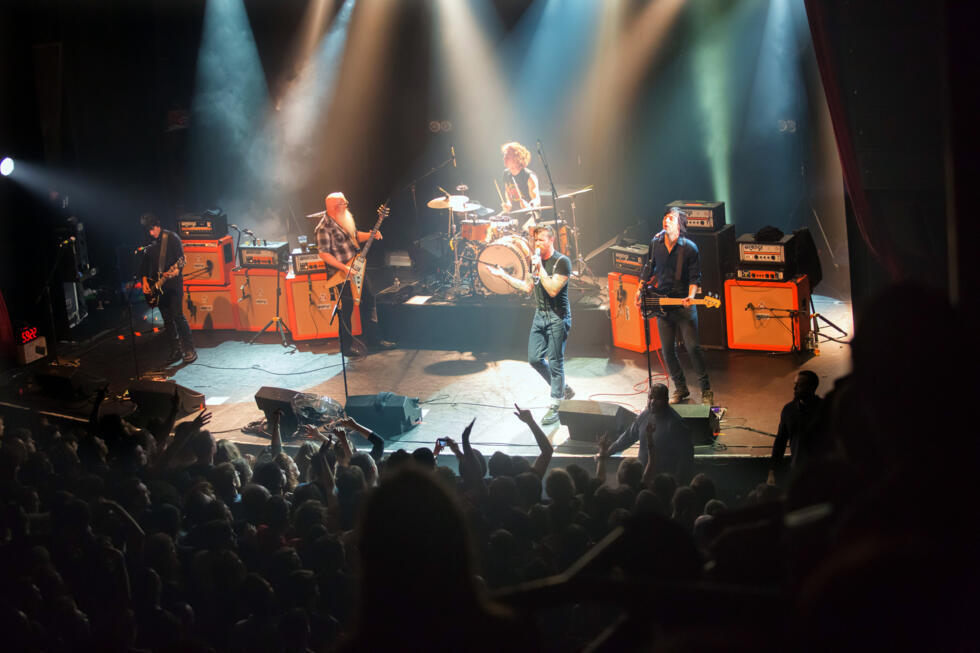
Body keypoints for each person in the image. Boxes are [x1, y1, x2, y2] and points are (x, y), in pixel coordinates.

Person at [487, 225, 573, 424]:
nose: (537, 244)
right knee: (534, 359)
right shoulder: (534, 263)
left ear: (551, 240)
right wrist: (504, 277)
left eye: (541, 240)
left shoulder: (562, 262)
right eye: (535, 240)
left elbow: (552, 290)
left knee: (555, 361)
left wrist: (540, 267)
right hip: (540, 315)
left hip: (557, 317)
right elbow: (527, 287)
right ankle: (562, 388)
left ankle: (556, 405)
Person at [635, 207, 712, 405]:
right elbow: (648, 268)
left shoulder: (690, 248)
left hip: (683, 306)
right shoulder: (655, 243)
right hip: (663, 306)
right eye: (665, 217)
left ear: (679, 225)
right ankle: (681, 388)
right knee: (668, 351)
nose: (666, 220)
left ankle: (706, 390)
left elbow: (696, 278)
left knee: (693, 348)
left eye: (671, 218)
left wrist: (691, 296)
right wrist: (639, 289)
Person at [314, 192, 395, 357]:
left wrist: (372, 234)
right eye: (344, 203)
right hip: (341, 273)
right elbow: (323, 254)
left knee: (369, 299)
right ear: (336, 207)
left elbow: (354, 236)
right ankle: (347, 347)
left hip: (357, 267)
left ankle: (374, 340)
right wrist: (344, 268)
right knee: (347, 309)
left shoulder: (343, 220)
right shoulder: (323, 228)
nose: (347, 206)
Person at [599, 383, 693, 482]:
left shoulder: (676, 425)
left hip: (663, 484)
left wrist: (678, 484)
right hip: (643, 480)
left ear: (666, 400)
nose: (652, 402)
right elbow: (627, 437)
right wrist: (608, 452)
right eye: (650, 397)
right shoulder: (644, 415)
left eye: (657, 399)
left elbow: (685, 459)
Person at [139, 212, 197, 364]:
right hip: (157, 287)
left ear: (158, 225)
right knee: (167, 319)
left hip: (173, 284)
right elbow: (144, 264)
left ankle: (190, 349)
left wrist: (177, 270)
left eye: (153, 229)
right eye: (148, 231)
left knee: (178, 315)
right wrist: (144, 280)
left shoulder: (171, 238)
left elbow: (182, 260)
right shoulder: (149, 243)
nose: (151, 233)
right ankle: (176, 350)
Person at [767, 370, 824, 484]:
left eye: (800, 385)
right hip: (797, 470)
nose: (795, 388)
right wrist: (772, 471)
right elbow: (780, 441)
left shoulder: (824, 409)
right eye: (795, 384)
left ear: (811, 388)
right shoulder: (789, 410)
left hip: (821, 472)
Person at [500, 141, 541, 232]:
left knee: (524, 230)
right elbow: (508, 193)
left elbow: (537, 200)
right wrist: (508, 204)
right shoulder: (506, 174)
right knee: (496, 225)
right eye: (504, 155)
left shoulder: (529, 176)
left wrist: (529, 205)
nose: (504, 158)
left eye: (507, 156)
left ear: (516, 158)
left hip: (530, 213)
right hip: (514, 212)